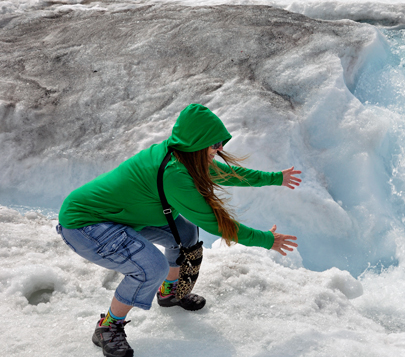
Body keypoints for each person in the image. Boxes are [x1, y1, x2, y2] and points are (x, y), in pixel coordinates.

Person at [56, 104, 301, 357]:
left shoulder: (184, 155)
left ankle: (169, 292)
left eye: (221, 142)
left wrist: (274, 178)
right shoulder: (175, 174)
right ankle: (107, 327)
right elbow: (216, 224)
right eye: (215, 143)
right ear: (196, 142)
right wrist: (265, 240)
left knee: (185, 234)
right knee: (151, 267)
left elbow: (226, 173)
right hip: (85, 224)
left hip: (122, 215)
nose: (221, 149)